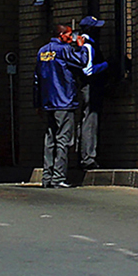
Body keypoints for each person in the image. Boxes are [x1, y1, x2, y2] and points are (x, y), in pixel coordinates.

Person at [34, 23, 85, 188]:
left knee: (49, 140)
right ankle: (58, 177)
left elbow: (37, 79)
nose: (71, 38)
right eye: (69, 36)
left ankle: (46, 177)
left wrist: (37, 102)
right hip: (64, 101)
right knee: (63, 139)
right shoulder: (64, 50)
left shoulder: (42, 51)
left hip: (48, 101)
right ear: (62, 35)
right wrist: (81, 47)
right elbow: (82, 62)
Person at [73, 16, 112, 178]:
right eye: (97, 28)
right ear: (90, 30)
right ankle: (88, 158)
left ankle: (83, 155)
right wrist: (107, 65)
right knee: (90, 120)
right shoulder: (88, 46)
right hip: (90, 87)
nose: (100, 32)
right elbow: (87, 70)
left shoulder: (85, 44)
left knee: (85, 121)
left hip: (88, 87)